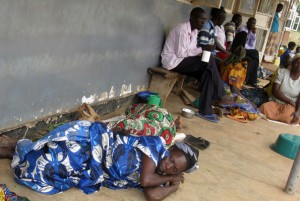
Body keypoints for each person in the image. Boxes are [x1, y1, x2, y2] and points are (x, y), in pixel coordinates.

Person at [0, 120, 199, 201]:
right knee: (55, 154)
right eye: (171, 158)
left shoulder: (163, 175)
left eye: (174, 168)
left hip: (92, 171)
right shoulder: (156, 146)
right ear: (170, 148)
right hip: (95, 147)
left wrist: (173, 185)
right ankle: (19, 145)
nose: (168, 164)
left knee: (44, 171)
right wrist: (175, 178)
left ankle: (13, 150)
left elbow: (153, 196)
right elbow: (146, 181)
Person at [161, 7, 227, 123]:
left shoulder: (194, 31)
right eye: (201, 19)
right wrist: (203, 49)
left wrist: (202, 50)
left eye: (204, 20)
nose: (203, 22)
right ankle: (220, 94)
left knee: (207, 72)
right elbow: (181, 53)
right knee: (209, 61)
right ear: (192, 18)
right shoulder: (182, 29)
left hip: (181, 60)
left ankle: (205, 111)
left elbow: (191, 50)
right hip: (173, 61)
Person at [259, 54, 300, 124]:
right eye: (297, 62)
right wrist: (290, 101)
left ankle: (282, 117)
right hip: (276, 102)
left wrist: (298, 112)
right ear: (292, 63)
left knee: (289, 115)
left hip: (290, 106)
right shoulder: (282, 72)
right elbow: (275, 91)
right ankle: (280, 117)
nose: (299, 65)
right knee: (264, 108)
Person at [235, 17, 259, 87]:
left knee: (253, 59)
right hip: (239, 50)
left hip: (247, 51)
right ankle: (252, 80)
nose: (252, 24)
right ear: (247, 22)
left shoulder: (252, 32)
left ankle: (249, 80)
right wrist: (252, 51)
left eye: (254, 23)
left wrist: (254, 34)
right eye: (251, 22)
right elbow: (242, 45)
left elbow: (252, 46)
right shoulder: (242, 30)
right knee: (256, 53)